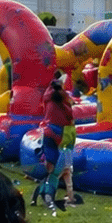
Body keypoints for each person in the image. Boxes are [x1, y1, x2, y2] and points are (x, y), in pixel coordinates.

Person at [38, 79, 74, 211]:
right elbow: (70, 115)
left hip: (48, 131)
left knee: (51, 165)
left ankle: (45, 189)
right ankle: (50, 194)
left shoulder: (47, 97)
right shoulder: (63, 99)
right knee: (62, 168)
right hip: (60, 133)